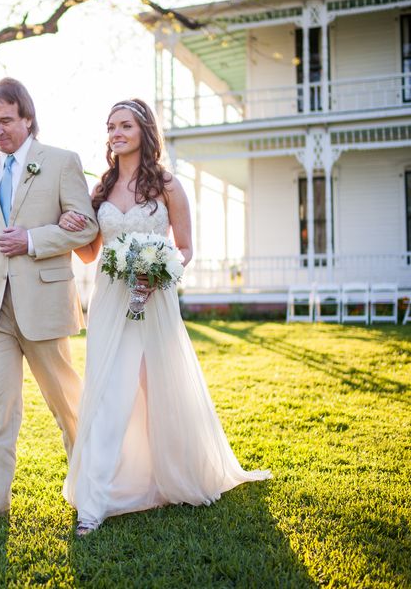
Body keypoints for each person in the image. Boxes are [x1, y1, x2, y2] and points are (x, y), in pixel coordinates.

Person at [58, 98, 270, 537]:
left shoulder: (169, 186)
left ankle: (177, 475)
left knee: (162, 392)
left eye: (125, 126)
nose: (116, 133)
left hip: (153, 301)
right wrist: (70, 224)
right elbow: (88, 253)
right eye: (110, 126)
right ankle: (94, 504)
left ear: (144, 132)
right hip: (110, 302)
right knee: (109, 396)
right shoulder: (101, 189)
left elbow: (186, 247)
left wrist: (158, 271)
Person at [0, 78, 99, 529]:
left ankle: (88, 488)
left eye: (4, 120)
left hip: (43, 303)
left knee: (66, 403)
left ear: (26, 118)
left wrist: (34, 239)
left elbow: (85, 228)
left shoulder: (61, 162)